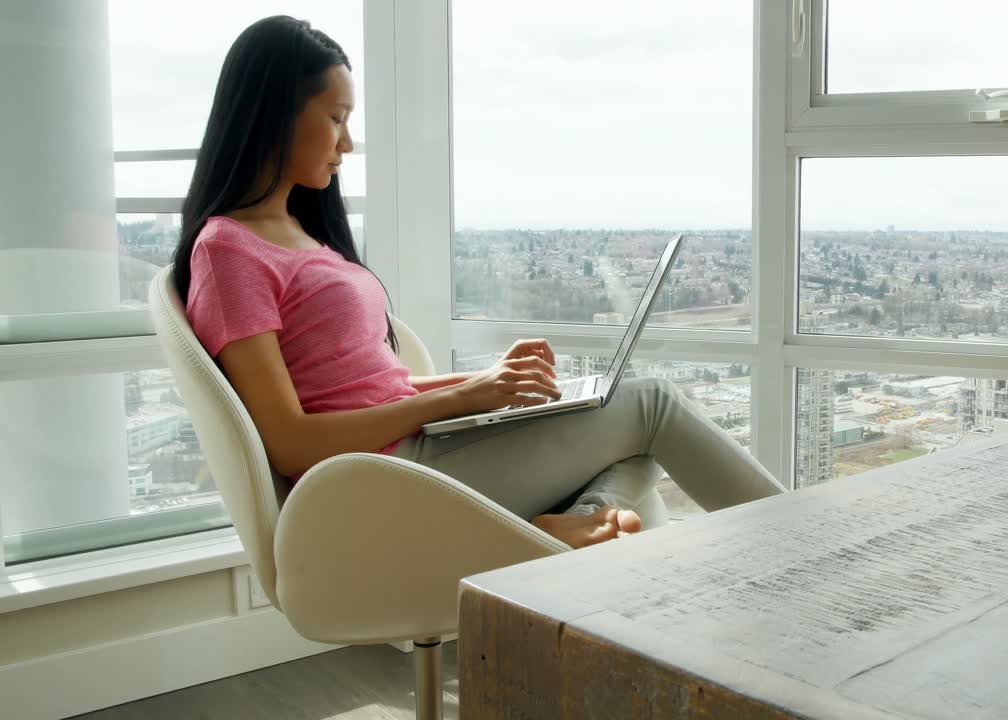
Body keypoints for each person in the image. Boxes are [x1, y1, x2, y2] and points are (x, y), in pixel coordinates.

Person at [173, 16, 784, 549]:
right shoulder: (229, 251)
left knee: (631, 432)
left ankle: (562, 531)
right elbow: (291, 443)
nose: (347, 143)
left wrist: (487, 381)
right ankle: (803, 541)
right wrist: (463, 399)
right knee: (651, 405)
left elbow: (369, 391)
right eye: (335, 118)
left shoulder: (298, 232)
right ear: (276, 114)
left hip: (413, 453)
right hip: (380, 485)